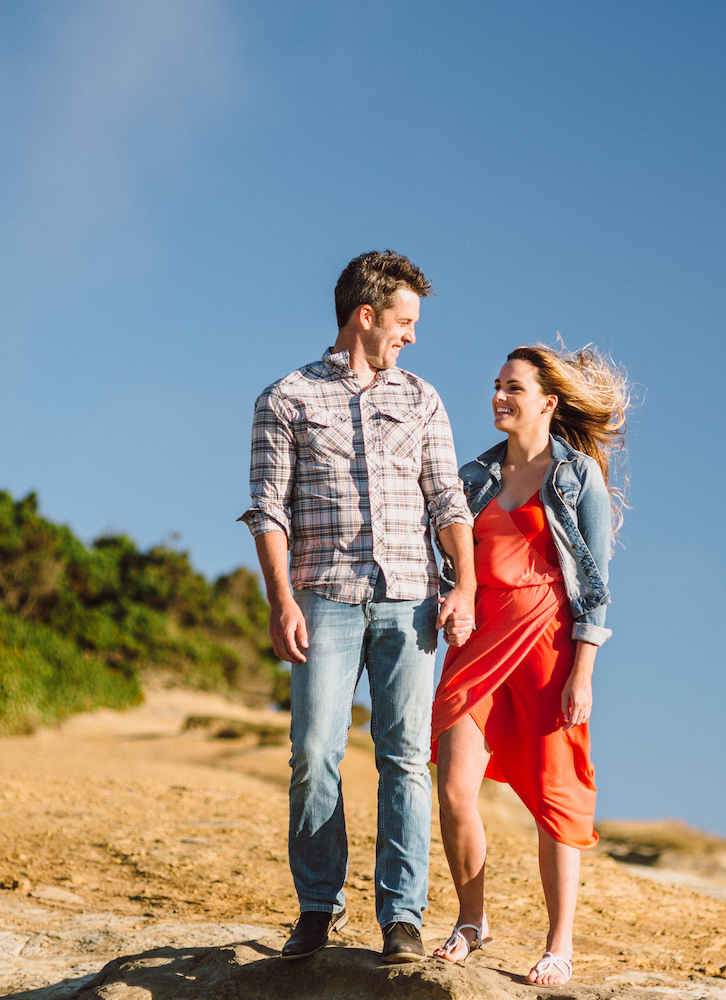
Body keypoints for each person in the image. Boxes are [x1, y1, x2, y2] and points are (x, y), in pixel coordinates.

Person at [240, 250, 477, 964]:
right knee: (315, 754)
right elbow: (267, 511)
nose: (411, 335)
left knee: (404, 757)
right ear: (365, 317)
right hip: (323, 597)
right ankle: (318, 908)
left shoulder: (423, 398)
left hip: (411, 600)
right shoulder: (285, 398)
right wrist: (281, 599)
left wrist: (463, 583)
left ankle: (401, 916)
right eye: (404, 320)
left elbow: (447, 497)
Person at [429, 343, 629, 987]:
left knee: (554, 799)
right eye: (495, 385)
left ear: (548, 401)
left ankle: (559, 945)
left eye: (513, 388)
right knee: (456, 786)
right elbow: (449, 563)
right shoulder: (470, 479)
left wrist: (584, 671)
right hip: (477, 643)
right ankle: (471, 921)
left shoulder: (577, 479)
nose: (498, 396)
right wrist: (447, 597)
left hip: (546, 647)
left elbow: (594, 586)